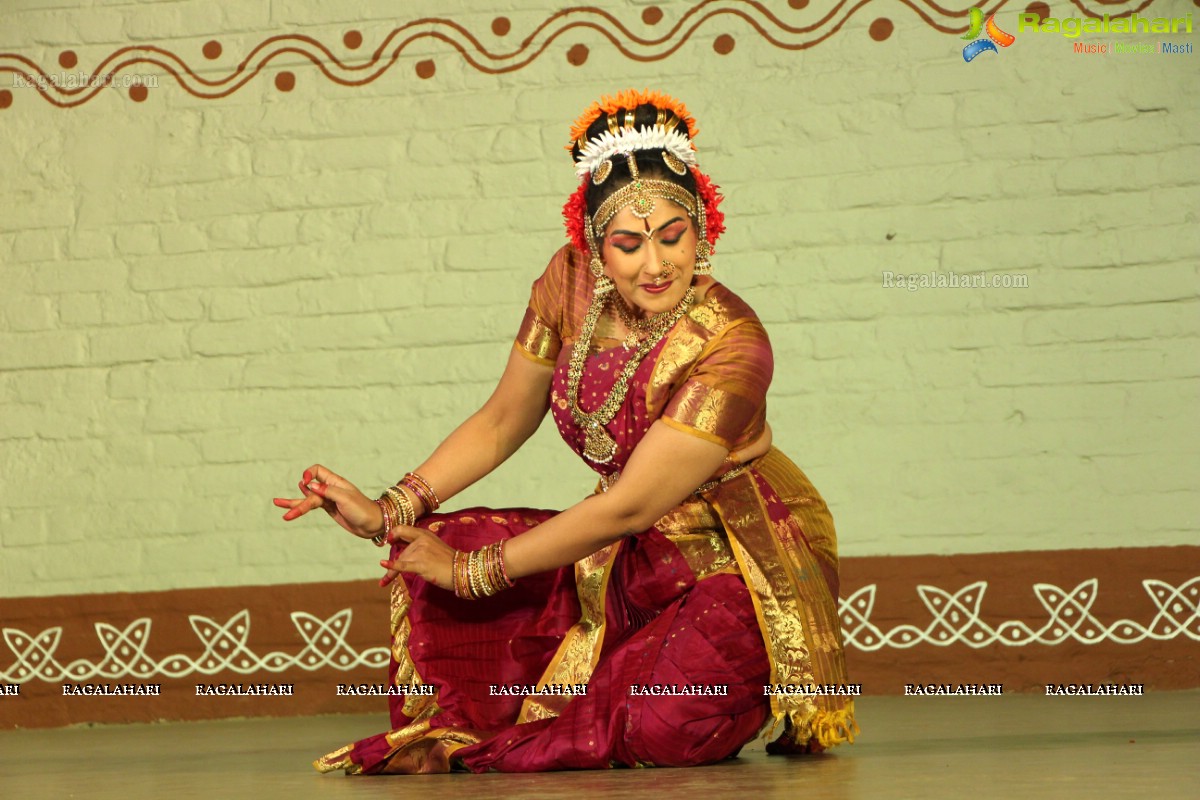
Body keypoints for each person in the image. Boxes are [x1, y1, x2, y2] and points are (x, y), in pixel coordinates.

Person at [274, 89, 857, 774]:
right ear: (594, 246)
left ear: (705, 229)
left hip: (734, 556)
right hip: (633, 546)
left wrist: (471, 574)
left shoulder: (732, 341)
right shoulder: (568, 283)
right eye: (629, 244)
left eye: (675, 236)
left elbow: (631, 502)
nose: (655, 264)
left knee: (657, 727)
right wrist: (390, 509)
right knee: (441, 552)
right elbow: (501, 421)